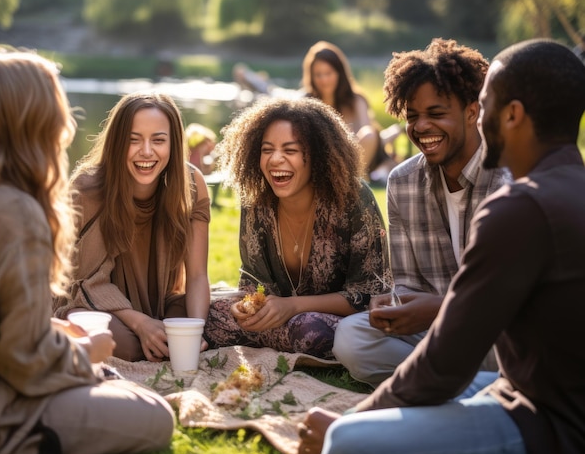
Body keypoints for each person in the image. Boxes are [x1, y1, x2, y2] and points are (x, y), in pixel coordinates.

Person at [297, 38, 585, 454]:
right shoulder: (567, 189)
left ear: (510, 114)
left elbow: (443, 367)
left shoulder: (519, 206)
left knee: (346, 449)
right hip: (521, 389)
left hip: (551, 429)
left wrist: (350, 422)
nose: (481, 115)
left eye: (485, 104)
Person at [0, 49, 175, 454]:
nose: (67, 122)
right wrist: (89, 352)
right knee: (155, 415)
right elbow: (21, 359)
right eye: (57, 105)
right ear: (31, 120)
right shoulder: (14, 212)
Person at [333, 38, 509, 387]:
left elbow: (510, 297)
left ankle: (444, 384)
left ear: (472, 111)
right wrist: (395, 304)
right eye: (413, 117)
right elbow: (408, 281)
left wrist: (441, 308)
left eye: (436, 113)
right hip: (438, 335)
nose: (421, 127)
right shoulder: (403, 182)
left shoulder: (507, 179)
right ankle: (468, 387)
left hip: (500, 329)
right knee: (351, 337)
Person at [203, 96, 390, 359]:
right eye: (267, 150)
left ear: (318, 157)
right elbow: (254, 282)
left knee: (310, 330)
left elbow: (369, 294)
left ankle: (271, 340)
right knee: (209, 312)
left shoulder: (354, 198)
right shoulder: (256, 201)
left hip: (329, 321)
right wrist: (246, 308)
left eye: (290, 150)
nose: (275, 159)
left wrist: (292, 307)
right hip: (280, 319)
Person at [54, 91, 211, 362]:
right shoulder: (88, 189)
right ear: (116, 143)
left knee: (196, 325)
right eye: (133, 140)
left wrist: (193, 334)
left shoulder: (191, 184)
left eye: (159, 140)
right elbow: (85, 283)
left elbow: (197, 275)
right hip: (93, 303)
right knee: (124, 346)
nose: (147, 152)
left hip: (159, 301)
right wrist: (139, 323)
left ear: (173, 143)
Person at [301, 40, 397, 183]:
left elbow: (368, 135)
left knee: (369, 134)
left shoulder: (356, 100)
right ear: (311, 76)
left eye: (328, 73)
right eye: (318, 75)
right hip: (322, 160)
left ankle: (351, 182)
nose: (324, 80)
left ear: (339, 73)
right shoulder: (305, 101)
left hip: (356, 159)